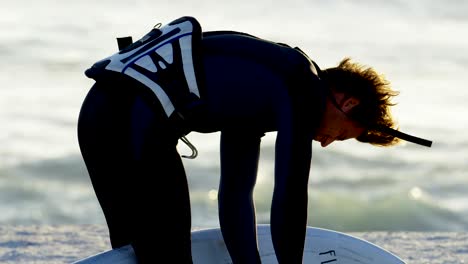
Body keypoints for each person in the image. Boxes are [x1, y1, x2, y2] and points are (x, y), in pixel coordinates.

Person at [77, 16, 431, 264]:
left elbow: (235, 195)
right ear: (348, 103)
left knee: (134, 251)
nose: (325, 142)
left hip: (97, 116)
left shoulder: (262, 89)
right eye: (341, 135)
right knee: (165, 253)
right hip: (131, 125)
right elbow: (290, 197)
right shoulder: (299, 87)